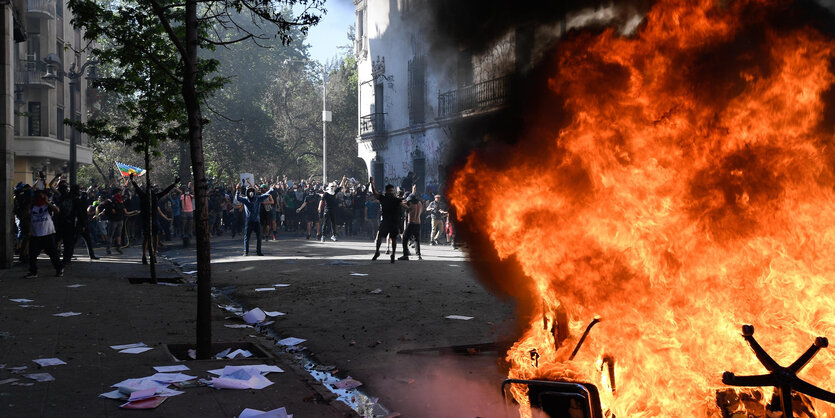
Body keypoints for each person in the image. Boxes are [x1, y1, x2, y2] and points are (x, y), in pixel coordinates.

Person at [130, 174, 178, 264]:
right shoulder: (145, 196)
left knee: (153, 237)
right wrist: (132, 181)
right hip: (147, 219)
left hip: (152, 219)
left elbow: (165, 191)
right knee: (148, 238)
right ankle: (146, 255)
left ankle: (152, 255)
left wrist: (174, 184)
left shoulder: (153, 196)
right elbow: (137, 188)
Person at [26, 189, 63, 278]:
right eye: (37, 197)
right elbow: (25, 215)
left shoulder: (47, 206)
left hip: (48, 234)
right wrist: (30, 203)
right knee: (32, 255)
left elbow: (57, 210)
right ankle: (33, 272)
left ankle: (59, 269)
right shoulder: (32, 207)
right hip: (35, 235)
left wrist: (47, 202)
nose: (39, 198)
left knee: (53, 254)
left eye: (40, 196)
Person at [235, 179, 276, 256]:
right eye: (249, 191)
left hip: (255, 221)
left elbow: (267, 194)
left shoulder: (257, 198)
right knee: (247, 237)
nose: (250, 193)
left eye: (251, 191)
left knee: (258, 237)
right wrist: (237, 190)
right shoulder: (248, 199)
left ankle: (257, 251)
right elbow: (238, 198)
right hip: (250, 221)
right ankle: (246, 251)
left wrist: (272, 189)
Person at [369, 176, 405, 263]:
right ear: (389, 191)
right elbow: (404, 205)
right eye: (391, 190)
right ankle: (390, 254)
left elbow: (375, 193)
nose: (392, 192)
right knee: (390, 238)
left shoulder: (385, 198)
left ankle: (382, 252)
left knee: (383, 237)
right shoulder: (394, 199)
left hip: (388, 221)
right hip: (391, 221)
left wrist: (372, 184)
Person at [96, 188, 137, 255]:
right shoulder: (110, 201)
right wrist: (108, 210)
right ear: (115, 193)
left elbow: (125, 212)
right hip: (113, 221)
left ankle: (118, 247)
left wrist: (134, 212)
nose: (120, 194)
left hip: (120, 220)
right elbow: (102, 206)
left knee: (118, 235)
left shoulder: (121, 201)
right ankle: (108, 248)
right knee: (110, 235)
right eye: (119, 192)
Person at [320, 176, 347, 242]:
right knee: (325, 223)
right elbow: (321, 200)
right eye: (331, 186)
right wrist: (319, 207)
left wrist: (343, 180)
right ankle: (323, 236)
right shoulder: (326, 194)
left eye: (333, 186)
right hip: (327, 209)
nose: (332, 187)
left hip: (333, 210)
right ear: (329, 187)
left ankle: (334, 235)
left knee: (333, 223)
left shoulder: (334, 192)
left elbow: (340, 186)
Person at [399, 193, 424, 261]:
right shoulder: (419, 203)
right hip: (418, 223)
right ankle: (418, 255)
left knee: (404, 239)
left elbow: (401, 203)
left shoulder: (409, 203)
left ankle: (405, 255)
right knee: (416, 239)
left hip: (411, 223)